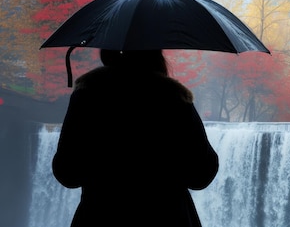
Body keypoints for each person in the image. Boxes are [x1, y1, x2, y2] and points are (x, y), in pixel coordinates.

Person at [52, 49, 219, 227]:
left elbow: (67, 173)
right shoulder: (174, 98)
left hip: (99, 215)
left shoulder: (86, 96)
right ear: (155, 54)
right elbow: (201, 174)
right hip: (169, 217)